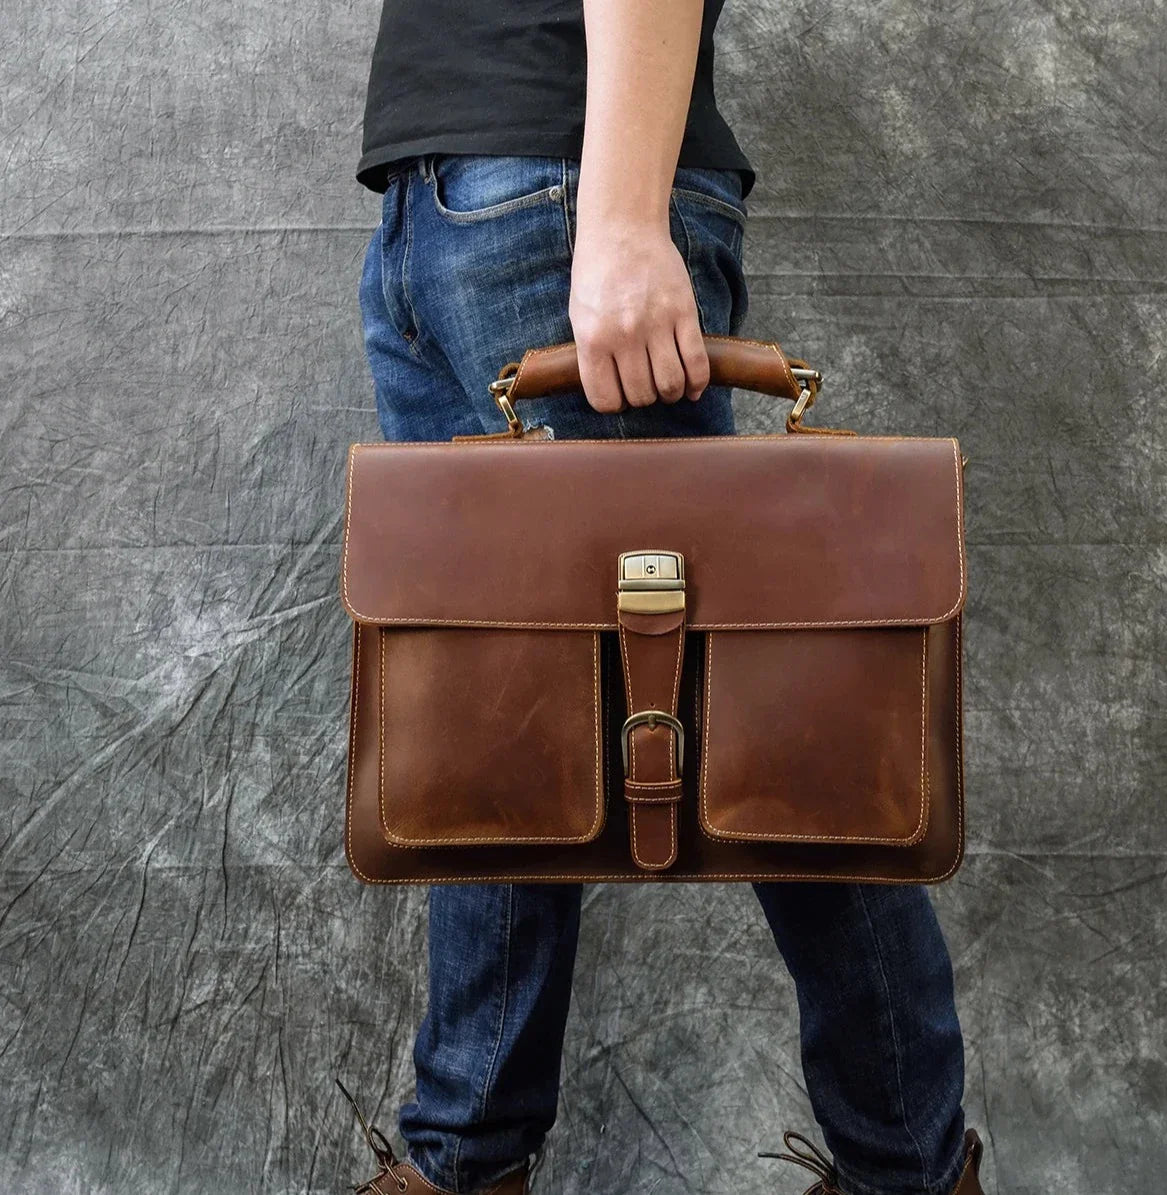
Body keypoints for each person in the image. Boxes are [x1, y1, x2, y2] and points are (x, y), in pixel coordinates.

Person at [349, 2, 987, 1193]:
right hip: (444, 200)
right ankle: (461, 1155)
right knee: (496, 733)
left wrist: (623, 214)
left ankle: (909, 1168)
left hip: (554, 190)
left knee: (790, 739)